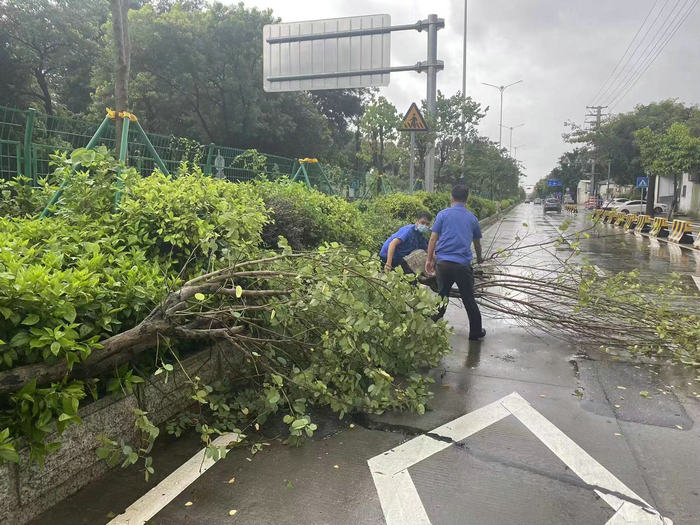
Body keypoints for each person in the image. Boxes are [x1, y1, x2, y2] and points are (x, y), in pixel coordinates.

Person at [425, 185, 485, 341]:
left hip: (443, 264)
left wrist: (429, 259)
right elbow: (477, 243)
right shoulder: (472, 218)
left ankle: (430, 329)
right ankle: (475, 332)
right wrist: (479, 258)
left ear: (451, 197)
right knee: (468, 298)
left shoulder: (442, 215)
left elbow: (433, 238)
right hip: (462, 266)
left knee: (442, 296)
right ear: (467, 199)